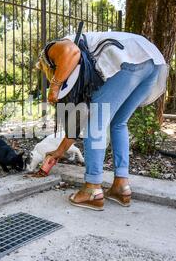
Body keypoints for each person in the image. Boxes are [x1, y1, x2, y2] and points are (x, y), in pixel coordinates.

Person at [35, 31, 168, 211]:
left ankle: (92, 188)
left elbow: (71, 51)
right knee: (118, 123)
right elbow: (79, 121)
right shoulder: (83, 75)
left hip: (128, 58)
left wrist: (54, 87)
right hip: (152, 61)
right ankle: (121, 187)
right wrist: (59, 151)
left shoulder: (50, 52)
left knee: (96, 125)